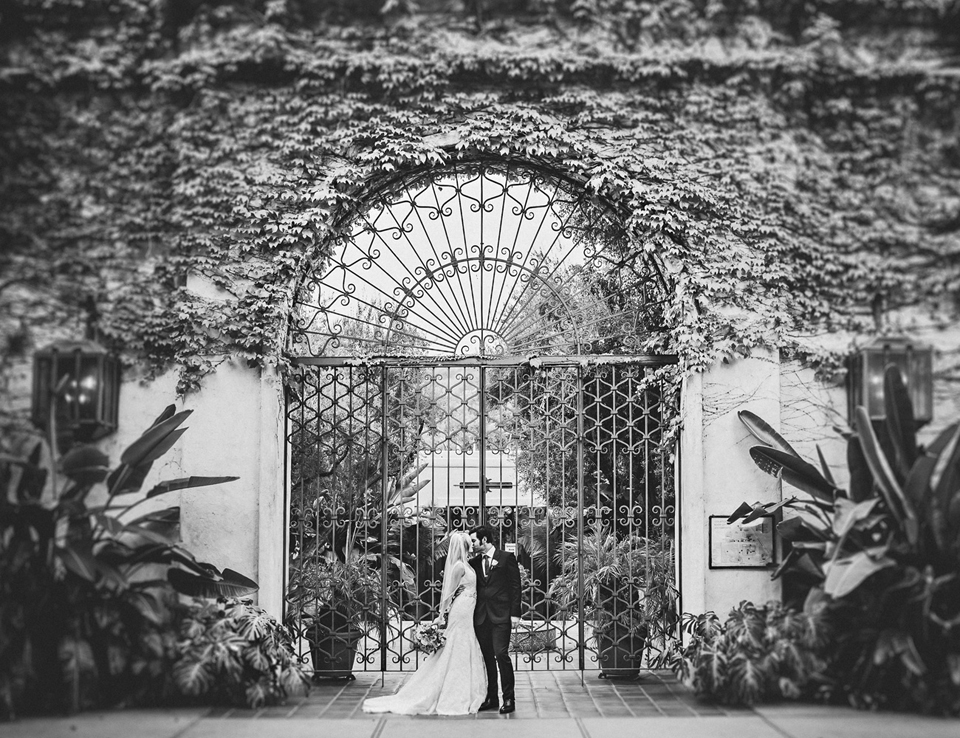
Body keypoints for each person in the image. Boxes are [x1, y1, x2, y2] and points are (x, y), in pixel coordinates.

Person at [361, 530, 487, 715]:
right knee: (457, 642)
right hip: (461, 610)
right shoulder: (459, 566)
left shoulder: (466, 564)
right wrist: (441, 615)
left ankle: (465, 685)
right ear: (464, 546)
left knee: (465, 642)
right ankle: (449, 688)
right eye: (469, 544)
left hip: (469, 609)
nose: (471, 546)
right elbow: (448, 593)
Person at [469, 524, 522, 714]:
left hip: (501, 615)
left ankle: (508, 698)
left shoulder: (506, 558)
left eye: (474, 540)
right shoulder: (474, 563)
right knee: (487, 659)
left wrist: (515, 613)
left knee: (501, 655)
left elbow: (516, 586)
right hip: (481, 617)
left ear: (484, 540)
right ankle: (491, 698)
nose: (472, 544)